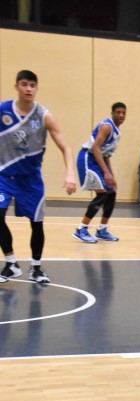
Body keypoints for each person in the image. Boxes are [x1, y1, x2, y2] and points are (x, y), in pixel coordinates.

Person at [0, 70, 77, 284]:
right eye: (24, 84)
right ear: (16, 86)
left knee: (36, 223)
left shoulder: (43, 115)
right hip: (4, 175)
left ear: (37, 88)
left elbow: (65, 146)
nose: (28, 89)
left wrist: (70, 173)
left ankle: (36, 267)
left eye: (32, 85)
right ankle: (11, 264)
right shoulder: (2, 111)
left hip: (30, 178)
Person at [72, 102, 126, 243]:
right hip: (88, 158)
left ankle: (102, 229)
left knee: (111, 192)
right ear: (112, 113)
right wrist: (105, 172)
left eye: (123, 113)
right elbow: (96, 148)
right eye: (118, 112)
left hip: (98, 160)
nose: (121, 115)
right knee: (101, 194)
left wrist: (111, 175)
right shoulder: (107, 127)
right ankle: (81, 229)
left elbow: (106, 154)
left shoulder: (117, 132)